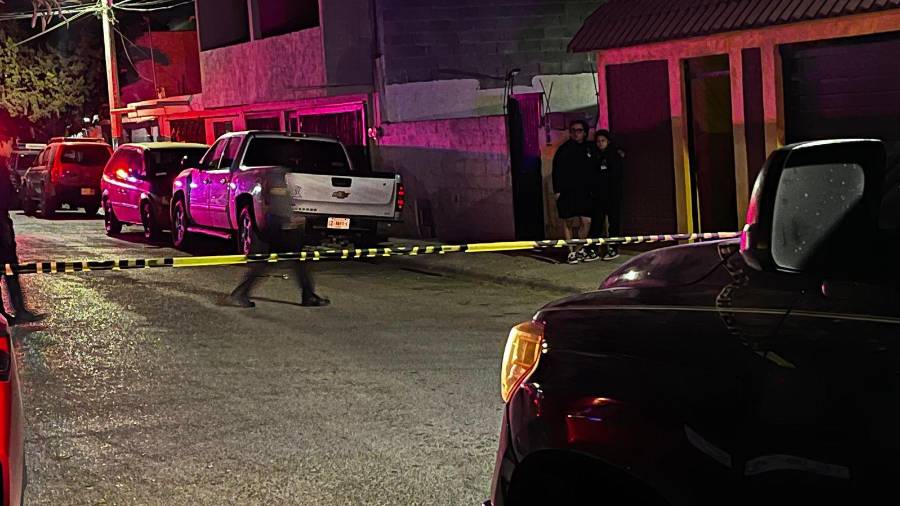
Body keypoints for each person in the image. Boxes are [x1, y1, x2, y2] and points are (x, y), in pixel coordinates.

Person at [219, 168, 330, 308]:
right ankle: (239, 294)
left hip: (278, 224)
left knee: (286, 261)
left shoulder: (276, 175)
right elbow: (279, 204)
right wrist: (289, 221)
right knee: (290, 261)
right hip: (281, 226)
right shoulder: (277, 176)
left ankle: (308, 295)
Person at [0, 162, 43, 324]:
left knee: (9, 269)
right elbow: (8, 196)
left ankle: (11, 312)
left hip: (2, 221)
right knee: (10, 267)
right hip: (1, 223)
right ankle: (17, 311)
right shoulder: (1, 166)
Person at [552, 120, 600, 264]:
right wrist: (557, 190)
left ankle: (579, 249)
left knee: (586, 221)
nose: (575, 133)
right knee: (568, 221)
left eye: (579, 130)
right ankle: (571, 252)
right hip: (567, 191)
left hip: (585, 191)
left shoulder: (590, 148)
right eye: (573, 130)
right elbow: (557, 171)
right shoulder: (564, 149)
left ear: (584, 133)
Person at [588, 130, 625, 260]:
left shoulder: (615, 156)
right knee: (597, 223)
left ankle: (613, 248)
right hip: (598, 195)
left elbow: (617, 176)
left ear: (608, 141)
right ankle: (593, 249)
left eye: (603, 141)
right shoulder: (594, 156)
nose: (600, 143)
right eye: (598, 141)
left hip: (613, 194)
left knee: (614, 222)